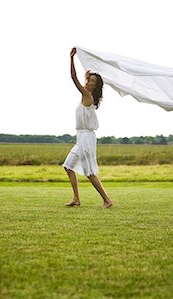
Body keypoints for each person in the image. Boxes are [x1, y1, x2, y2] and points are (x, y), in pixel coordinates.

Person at [62, 47, 113, 208]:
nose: (90, 82)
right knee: (68, 166)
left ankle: (107, 200)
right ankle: (76, 199)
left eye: (93, 81)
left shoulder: (87, 95)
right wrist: (87, 76)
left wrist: (71, 59)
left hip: (86, 138)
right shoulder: (86, 95)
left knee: (89, 172)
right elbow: (82, 80)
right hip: (81, 137)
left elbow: (72, 77)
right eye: (89, 80)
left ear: (95, 86)